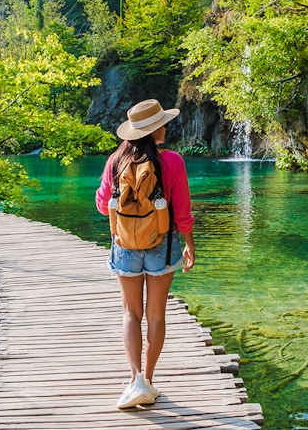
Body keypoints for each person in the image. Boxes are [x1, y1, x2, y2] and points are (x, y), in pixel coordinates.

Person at [95, 98, 195, 409]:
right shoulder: (173, 162)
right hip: (162, 245)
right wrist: (190, 244)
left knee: (130, 314)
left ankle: (135, 378)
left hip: (124, 245)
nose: (166, 126)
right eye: (162, 123)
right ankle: (148, 381)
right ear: (155, 130)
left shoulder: (116, 160)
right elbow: (182, 210)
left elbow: (101, 205)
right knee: (155, 315)